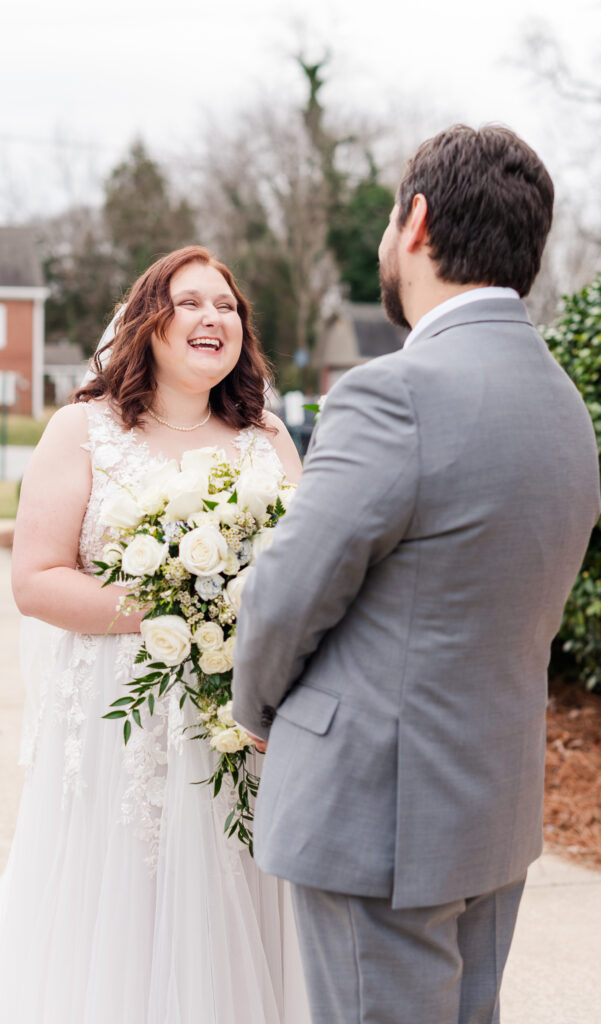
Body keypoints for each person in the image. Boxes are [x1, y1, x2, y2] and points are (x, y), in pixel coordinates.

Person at [232, 125, 601, 1024]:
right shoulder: (563, 402)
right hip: (490, 803)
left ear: (418, 222)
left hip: (375, 813)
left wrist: (254, 712)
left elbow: (288, 592)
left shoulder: (393, 390)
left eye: (388, 223)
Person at [0, 246, 309, 1024]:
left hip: (233, 713)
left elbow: (302, 574)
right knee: (126, 889)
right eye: (191, 301)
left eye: (227, 306)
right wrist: (175, 609)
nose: (213, 318)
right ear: (148, 321)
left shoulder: (266, 436)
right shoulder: (84, 430)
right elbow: (35, 579)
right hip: (117, 716)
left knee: (229, 883)